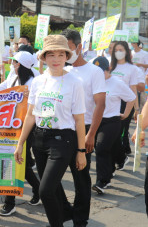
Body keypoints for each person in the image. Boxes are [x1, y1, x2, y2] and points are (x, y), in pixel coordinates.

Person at [15, 35, 87, 227]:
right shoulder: (38, 81)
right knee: (53, 190)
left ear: (66, 56)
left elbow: (79, 120)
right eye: (51, 54)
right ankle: (61, 217)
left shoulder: (74, 82)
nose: (56, 59)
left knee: (45, 190)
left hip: (63, 140)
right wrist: (20, 143)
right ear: (44, 58)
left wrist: (81, 152)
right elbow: (30, 115)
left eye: (60, 54)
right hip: (39, 139)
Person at [61, 29, 106, 227]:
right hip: (62, 128)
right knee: (50, 178)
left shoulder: (94, 72)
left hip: (84, 129)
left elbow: (100, 104)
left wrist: (90, 134)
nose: (66, 55)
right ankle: (64, 213)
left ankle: (80, 219)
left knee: (80, 176)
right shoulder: (62, 70)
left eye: (69, 49)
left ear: (80, 47)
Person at [0, 51, 41, 216]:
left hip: (27, 128)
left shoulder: (35, 82)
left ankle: (9, 203)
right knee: (20, 163)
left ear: (21, 64)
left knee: (15, 162)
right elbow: (1, 88)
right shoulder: (13, 76)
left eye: (15, 62)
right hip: (10, 126)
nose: (12, 64)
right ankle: (38, 189)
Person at [90, 56, 135, 194]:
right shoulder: (91, 82)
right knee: (112, 146)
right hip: (95, 120)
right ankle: (121, 159)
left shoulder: (117, 83)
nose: (99, 75)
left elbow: (131, 98)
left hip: (112, 120)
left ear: (108, 69)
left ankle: (103, 181)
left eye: (101, 72)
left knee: (101, 148)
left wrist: (126, 114)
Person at [110, 41, 139, 165]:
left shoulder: (132, 68)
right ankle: (120, 158)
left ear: (127, 52)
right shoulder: (110, 66)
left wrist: (136, 109)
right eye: (116, 50)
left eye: (121, 50)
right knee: (111, 134)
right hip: (110, 102)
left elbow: (133, 89)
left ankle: (120, 158)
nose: (118, 53)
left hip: (125, 103)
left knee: (118, 132)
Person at [131, 41, 148, 111]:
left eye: (132, 43)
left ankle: (142, 111)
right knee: (133, 93)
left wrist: (139, 64)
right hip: (132, 77)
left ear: (136, 44)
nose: (131, 44)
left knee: (142, 96)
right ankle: (134, 110)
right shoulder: (131, 53)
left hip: (142, 77)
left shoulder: (144, 53)